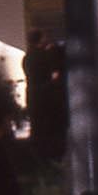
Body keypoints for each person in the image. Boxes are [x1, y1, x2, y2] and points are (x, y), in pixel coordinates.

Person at [22, 28, 68, 162]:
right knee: (52, 128)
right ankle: (54, 157)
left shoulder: (27, 57)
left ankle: (39, 157)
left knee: (38, 126)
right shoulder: (46, 55)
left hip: (33, 95)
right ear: (41, 39)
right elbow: (54, 74)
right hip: (48, 96)